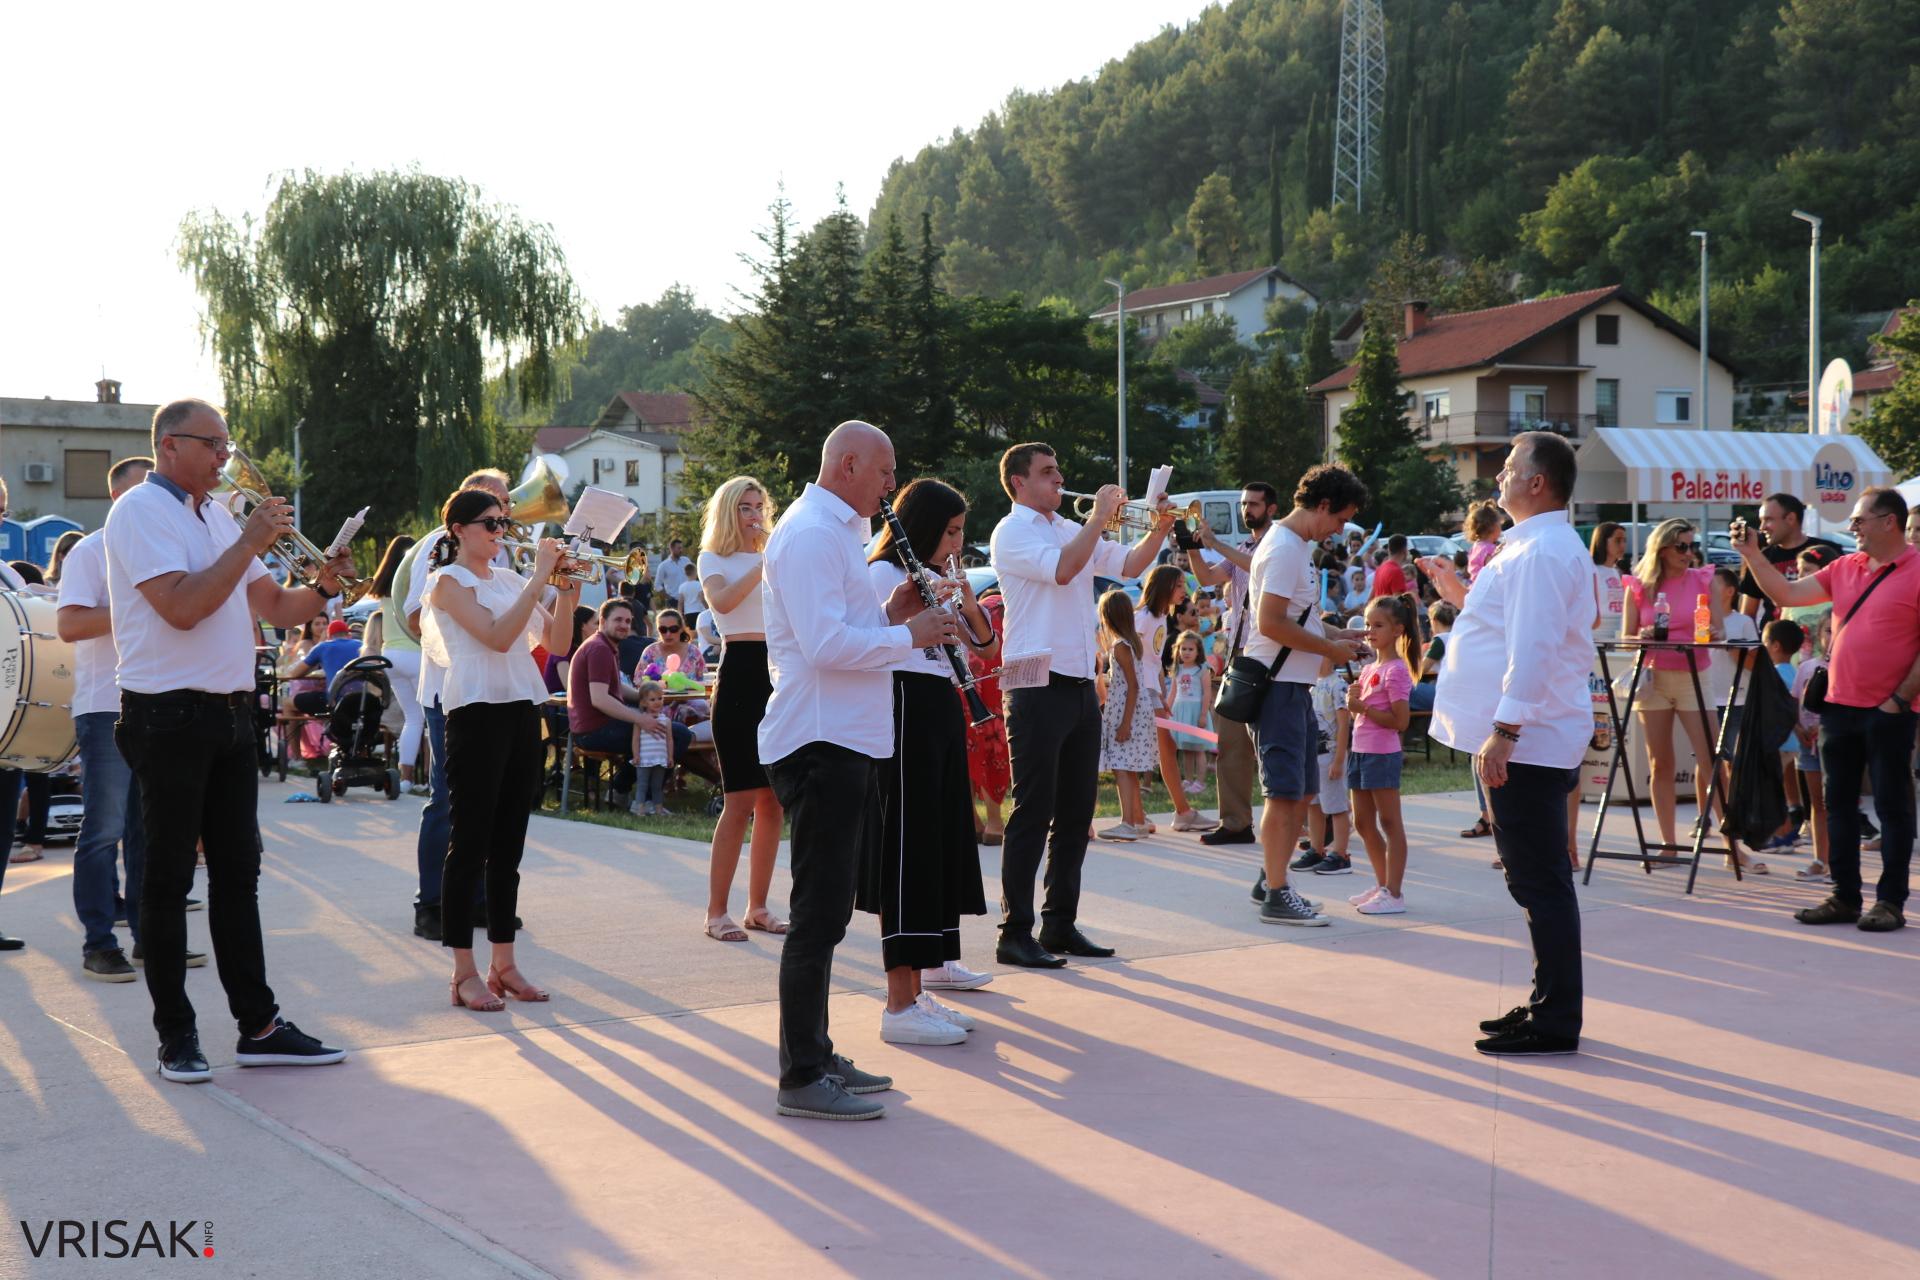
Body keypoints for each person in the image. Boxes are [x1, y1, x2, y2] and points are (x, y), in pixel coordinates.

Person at [104, 397, 351, 1082]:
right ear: (169, 446)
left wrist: (324, 583)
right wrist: (249, 541)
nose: (225, 459)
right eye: (213, 445)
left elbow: (275, 607)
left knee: (238, 875)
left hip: (231, 712)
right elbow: (181, 607)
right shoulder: (139, 512)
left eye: (227, 446)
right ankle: (175, 1036)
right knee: (168, 878)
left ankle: (259, 1025)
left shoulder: (214, 515)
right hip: (166, 713)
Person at [760, 420, 956, 1122]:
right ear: (846, 464)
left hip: (841, 737)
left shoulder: (833, 528)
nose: (892, 487)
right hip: (819, 741)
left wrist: (890, 611)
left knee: (832, 910)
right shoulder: (813, 532)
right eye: (884, 472)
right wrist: (910, 633)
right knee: (817, 916)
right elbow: (820, 646)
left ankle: (815, 1050)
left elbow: (845, 625)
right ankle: (802, 1074)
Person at [1428, 434, 1592, 1055]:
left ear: (1537, 483)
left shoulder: (1544, 551)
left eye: (1509, 469)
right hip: (1524, 739)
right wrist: (1458, 599)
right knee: (1531, 880)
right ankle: (1547, 1002)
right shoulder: (1532, 545)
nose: (1498, 476)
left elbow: (1536, 650)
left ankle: (1555, 1019)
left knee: (1540, 881)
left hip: (1529, 742)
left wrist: (1506, 731)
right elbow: (1512, 631)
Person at [989, 443, 1172, 968]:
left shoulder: (1069, 529)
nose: (1059, 480)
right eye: (1048, 474)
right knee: (1032, 811)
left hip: (1076, 683)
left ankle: (1059, 923)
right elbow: (1066, 572)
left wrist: (1158, 526)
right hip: (1033, 684)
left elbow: (1132, 566)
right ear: (1019, 483)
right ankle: (1014, 931)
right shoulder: (1013, 531)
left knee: (1075, 813)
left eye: (1058, 470)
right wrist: (1098, 516)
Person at [1733, 486, 1920, 932]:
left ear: (1888, 522)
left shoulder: (1917, 569)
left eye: (1860, 519)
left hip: (1889, 710)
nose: (1852, 527)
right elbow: (1787, 592)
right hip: (1839, 706)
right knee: (1835, 805)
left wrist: (1899, 700)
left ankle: (1890, 901)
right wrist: (1752, 554)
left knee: (1893, 807)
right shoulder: (1845, 567)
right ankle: (1845, 897)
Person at [421, 486, 577, 1011]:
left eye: (503, 524)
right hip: (475, 713)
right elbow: (495, 637)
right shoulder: (448, 582)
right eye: (491, 524)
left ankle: (504, 964)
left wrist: (567, 589)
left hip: (519, 710)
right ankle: (463, 971)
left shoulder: (510, 580)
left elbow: (556, 647)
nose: (500, 533)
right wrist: (539, 580)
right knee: (469, 843)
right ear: (459, 530)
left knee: (509, 844)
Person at [862, 476, 993, 1046]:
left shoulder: (941, 576)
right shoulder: (883, 575)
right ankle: (898, 1002)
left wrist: (961, 596)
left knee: (940, 843)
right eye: (950, 531)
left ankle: (919, 988)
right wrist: (902, 612)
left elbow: (985, 646)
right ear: (922, 529)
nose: (956, 543)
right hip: (902, 704)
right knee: (910, 848)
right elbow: (869, 641)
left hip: (940, 704)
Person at [1244, 465, 1372, 926]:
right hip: (1277, 687)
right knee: (1282, 795)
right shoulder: (1283, 547)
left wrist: (1340, 635)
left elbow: (1296, 620)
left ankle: (1271, 878)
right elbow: (1271, 623)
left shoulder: (1292, 546)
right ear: (1322, 507)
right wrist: (1330, 648)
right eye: (1340, 520)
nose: (1339, 530)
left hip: (1292, 686)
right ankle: (1277, 893)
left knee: (1298, 792)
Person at [56, 455, 162, 981]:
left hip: (158, 702)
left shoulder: (171, 545)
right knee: (103, 830)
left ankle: (148, 939)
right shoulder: (89, 551)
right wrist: (141, 607)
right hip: (105, 706)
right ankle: (99, 942)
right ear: (120, 499)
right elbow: (70, 624)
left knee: (147, 830)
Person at [398, 468, 514, 940]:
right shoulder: (436, 547)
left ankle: (480, 899)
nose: (503, 522)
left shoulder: (503, 551)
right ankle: (433, 903)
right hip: (449, 688)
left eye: (505, 512)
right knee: (448, 799)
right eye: (493, 512)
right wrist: (451, 644)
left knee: (492, 799)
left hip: (496, 692)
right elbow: (412, 612)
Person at [696, 477, 787, 942]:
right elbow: (723, 601)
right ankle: (716, 912)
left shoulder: (777, 554)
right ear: (729, 511)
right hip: (739, 673)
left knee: (773, 801)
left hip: (779, 671)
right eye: (744, 507)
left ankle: (758, 907)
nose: (754, 514)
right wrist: (764, 563)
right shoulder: (713, 558)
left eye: (759, 504)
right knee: (739, 799)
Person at [1621, 519, 1728, 861]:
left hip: (1694, 676)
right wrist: (1643, 636)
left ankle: (1732, 846)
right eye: (1681, 546)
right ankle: (1668, 844)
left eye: (1691, 545)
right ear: (1662, 548)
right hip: (1653, 678)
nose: (1688, 553)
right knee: (1660, 763)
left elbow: (1720, 631)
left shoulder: (1702, 579)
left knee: (1712, 760)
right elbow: (1626, 639)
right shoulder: (1639, 586)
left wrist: (1712, 632)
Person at [1190, 484, 1281, 848]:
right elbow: (1207, 579)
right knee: (1230, 745)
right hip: (1239, 656)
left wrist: (1214, 543)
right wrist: (1192, 546)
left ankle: (1307, 822)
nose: (1247, 509)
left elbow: (1258, 568)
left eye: (1254, 504)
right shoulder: (1242, 546)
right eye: (1244, 504)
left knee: (1277, 743)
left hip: (1272, 657)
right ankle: (1236, 823)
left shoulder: (1278, 545)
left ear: (1271, 508)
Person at [1345, 594, 1420, 914]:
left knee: (1390, 822)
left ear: (1398, 630)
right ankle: (1382, 883)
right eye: (1367, 624)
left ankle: (1395, 892)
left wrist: (1362, 708)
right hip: (1360, 751)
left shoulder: (1396, 670)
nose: (1370, 631)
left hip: (1381, 753)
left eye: (1378, 625)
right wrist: (1354, 707)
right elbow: (1362, 714)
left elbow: (1400, 722)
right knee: (1362, 822)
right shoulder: (1369, 667)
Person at [1135, 563, 1214, 832]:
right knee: (1146, 751)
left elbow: (1154, 661)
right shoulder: (1144, 617)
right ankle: (1164, 813)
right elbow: (1129, 653)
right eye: (1179, 585)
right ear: (1165, 586)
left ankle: (1177, 812)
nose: (1185, 590)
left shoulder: (1159, 617)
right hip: (1141, 693)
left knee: (1164, 749)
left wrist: (1161, 696)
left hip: (1151, 693)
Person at [356, 535, 425, 793]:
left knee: (412, 720)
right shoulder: (413, 584)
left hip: (390, 657)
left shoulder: (384, 589)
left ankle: (406, 779)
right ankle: (426, 778)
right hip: (416, 655)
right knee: (431, 719)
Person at [568, 598, 655, 802]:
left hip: (594, 726)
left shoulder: (606, 645)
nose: (624, 625)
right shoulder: (599, 649)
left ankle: (627, 792)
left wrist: (643, 694)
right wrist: (639, 718)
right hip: (594, 730)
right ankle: (625, 792)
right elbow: (600, 699)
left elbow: (615, 687)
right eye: (618, 620)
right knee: (671, 735)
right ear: (603, 621)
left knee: (668, 729)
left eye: (628, 621)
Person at [1097, 589, 1157, 841]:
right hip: (1133, 709)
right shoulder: (1131, 642)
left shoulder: (1121, 646)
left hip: (1127, 711)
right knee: (1129, 767)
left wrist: (1124, 723)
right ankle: (1139, 819)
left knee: (1122, 767)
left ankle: (1128, 823)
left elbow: (1131, 685)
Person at [1291, 652, 1352, 876]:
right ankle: (1317, 849)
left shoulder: (1338, 685)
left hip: (1330, 755)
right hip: (1311, 755)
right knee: (1313, 804)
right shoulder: (1311, 684)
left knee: (1336, 806)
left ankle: (1341, 854)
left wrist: (1339, 759)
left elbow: (1344, 725)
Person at [1737, 493, 1840, 625]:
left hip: (1821, 640)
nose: (1762, 527)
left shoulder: (1828, 551)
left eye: (1768, 519)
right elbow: (1747, 614)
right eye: (1761, 520)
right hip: (1774, 642)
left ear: (1791, 518)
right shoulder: (1759, 559)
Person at [1785, 616, 1830, 883]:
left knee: (1836, 801)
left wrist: (1824, 728)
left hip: (1834, 742)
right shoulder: (1807, 667)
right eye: (1827, 630)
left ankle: (1838, 862)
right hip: (1807, 745)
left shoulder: (1848, 667)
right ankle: (1819, 859)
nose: (1832, 635)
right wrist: (1798, 728)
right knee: (1816, 802)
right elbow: (1793, 702)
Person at [1166, 631, 1214, 792]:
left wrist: (1202, 714)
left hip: (1196, 711)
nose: (1186, 652)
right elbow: (1173, 692)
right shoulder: (1177, 669)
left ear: (1198, 651)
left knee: (1198, 749)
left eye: (1190, 649)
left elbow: (1207, 692)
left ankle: (1200, 782)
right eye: (1183, 649)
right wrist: (1168, 711)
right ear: (1178, 650)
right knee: (1186, 749)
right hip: (1180, 712)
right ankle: (1187, 780)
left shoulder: (1202, 670)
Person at [629, 680, 673, 816]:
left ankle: (659, 810)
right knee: (642, 785)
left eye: (660, 698)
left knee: (657, 786)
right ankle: (640, 809)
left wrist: (670, 756)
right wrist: (636, 755)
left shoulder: (666, 720)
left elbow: (669, 739)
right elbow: (635, 739)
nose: (657, 702)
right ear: (643, 702)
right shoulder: (641, 720)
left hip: (660, 758)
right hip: (644, 758)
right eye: (652, 699)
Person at [1590, 522, 1628, 638]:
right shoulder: (1591, 571)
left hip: (1617, 632)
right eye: (1617, 540)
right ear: (1602, 541)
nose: (1622, 545)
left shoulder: (1618, 571)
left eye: (1624, 540)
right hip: (1597, 635)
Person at [1464, 500, 1503, 580]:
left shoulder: (1477, 546)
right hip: (1485, 588)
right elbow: (1494, 570)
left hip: (1475, 587)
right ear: (1493, 526)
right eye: (1500, 524)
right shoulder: (1489, 549)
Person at [654, 537, 693, 603]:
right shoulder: (663, 565)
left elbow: (692, 576)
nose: (681, 550)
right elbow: (657, 585)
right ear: (671, 549)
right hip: (673, 601)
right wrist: (668, 597)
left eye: (681, 548)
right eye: (679, 548)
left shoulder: (686, 561)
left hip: (688, 600)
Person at [1371, 535, 1411, 600]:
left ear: (1389, 550)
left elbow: (1373, 595)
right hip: (1390, 609)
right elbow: (1399, 601)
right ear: (1405, 550)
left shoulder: (1380, 568)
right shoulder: (1396, 571)